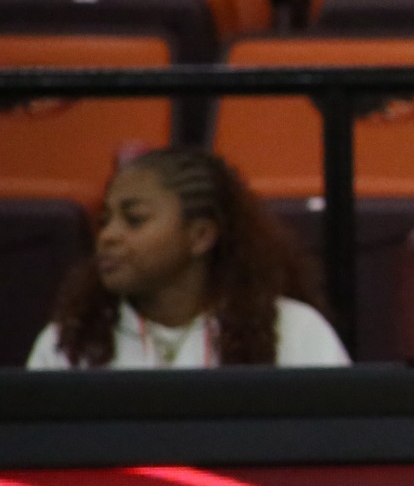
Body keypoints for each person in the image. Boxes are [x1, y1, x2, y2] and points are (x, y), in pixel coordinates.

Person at [26, 145, 348, 369]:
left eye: (134, 220)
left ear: (200, 236)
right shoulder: (68, 340)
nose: (108, 236)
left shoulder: (294, 331)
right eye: (104, 220)